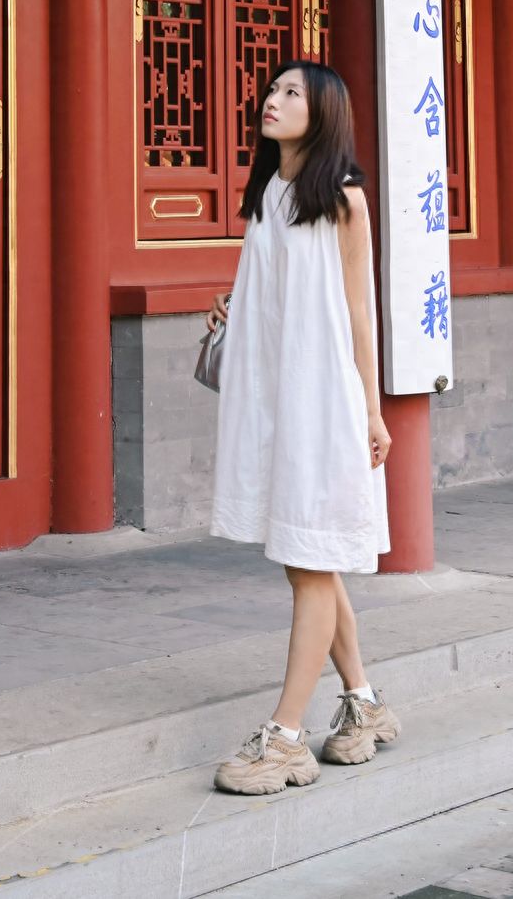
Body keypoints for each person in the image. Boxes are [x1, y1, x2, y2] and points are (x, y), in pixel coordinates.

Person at [206, 59, 399, 795]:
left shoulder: (343, 198)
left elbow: (357, 309)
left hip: (323, 398)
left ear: (323, 114)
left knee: (311, 560)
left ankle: (285, 737)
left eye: (293, 93)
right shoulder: (269, 191)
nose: (273, 100)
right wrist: (234, 303)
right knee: (305, 556)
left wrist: (372, 410)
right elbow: (269, 277)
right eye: (274, 89)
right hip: (274, 393)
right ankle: (367, 708)